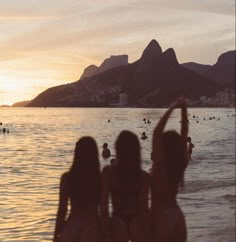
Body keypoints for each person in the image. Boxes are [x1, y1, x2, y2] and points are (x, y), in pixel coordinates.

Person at [101, 130, 151, 242]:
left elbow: (103, 206)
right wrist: (149, 234)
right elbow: (144, 207)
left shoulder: (108, 172)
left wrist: (106, 234)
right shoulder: (143, 176)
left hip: (117, 220)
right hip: (137, 222)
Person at [151, 98, 188, 242]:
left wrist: (172, 107)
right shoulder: (180, 164)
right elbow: (184, 131)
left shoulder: (159, 165)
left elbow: (156, 132)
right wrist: (183, 109)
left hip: (161, 219)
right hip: (178, 217)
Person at [53, 137, 102, 242]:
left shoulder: (67, 178)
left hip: (71, 227)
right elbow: (103, 209)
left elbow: (62, 210)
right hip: (93, 227)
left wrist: (56, 234)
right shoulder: (100, 178)